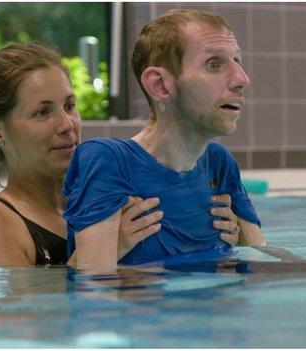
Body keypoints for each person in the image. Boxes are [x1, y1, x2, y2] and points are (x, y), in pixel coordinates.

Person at [0, 42, 241, 267]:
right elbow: (20, 326)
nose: (67, 124)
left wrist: (223, 236)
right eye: (42, 112)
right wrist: (98, 255)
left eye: (69, 105)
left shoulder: (120, 195)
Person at [63, 9, 266, 271]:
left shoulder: (218, 163)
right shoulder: (109, 161)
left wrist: (240, 240)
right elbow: (95, 292)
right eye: (214, 64)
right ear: (160, 85)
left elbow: (261, 258)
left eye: (237, 61)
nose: (242, 79)